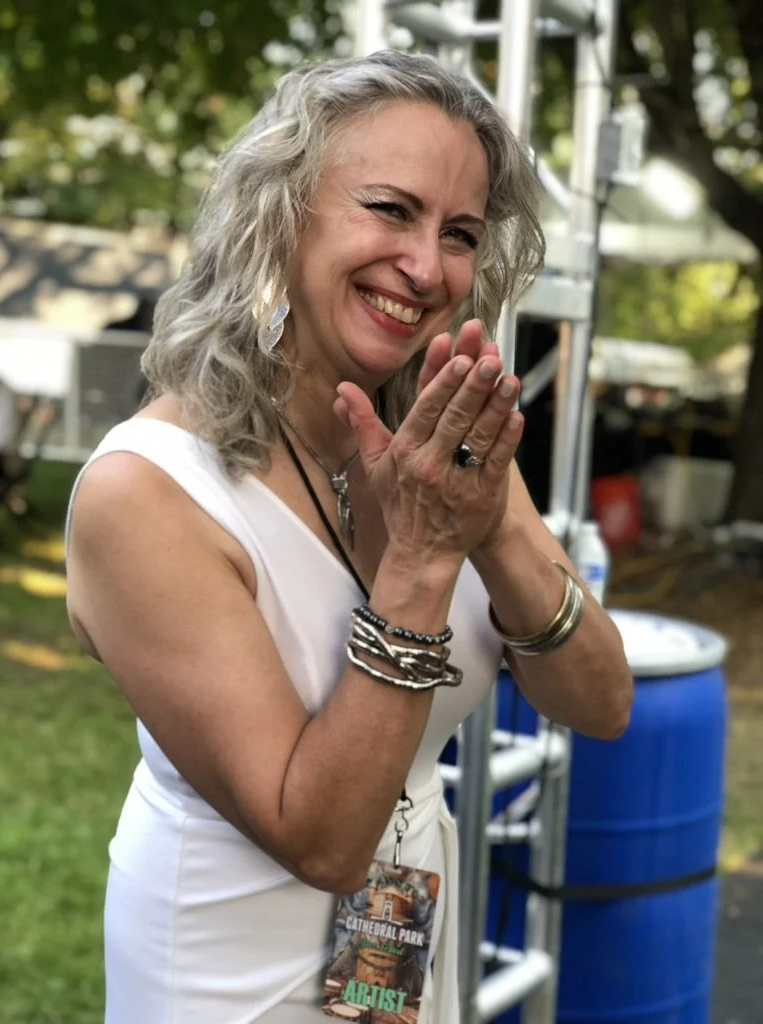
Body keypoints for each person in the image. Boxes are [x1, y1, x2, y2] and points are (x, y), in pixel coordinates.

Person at [64, 50, 633, 1024]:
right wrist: (417, 560)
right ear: (283, 211)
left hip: (394, 967)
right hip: (222, 979)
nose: (425, 267)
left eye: (459, 232)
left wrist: (492, 523)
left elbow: (602, 698)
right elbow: (320, 836)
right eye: (390, 209)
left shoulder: (445, 444)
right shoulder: (146, 492)